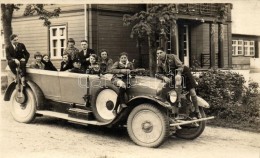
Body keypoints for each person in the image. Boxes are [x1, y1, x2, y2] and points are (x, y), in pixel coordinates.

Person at [156, 47, 202, 119]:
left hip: (185, 74)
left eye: (160, 52)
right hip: (174, 77)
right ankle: (174, 113)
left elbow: (180, 66)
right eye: (157, 53)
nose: (159, 54)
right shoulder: (159, 62)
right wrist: (164, 77)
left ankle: (197, 111)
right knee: (167, 92)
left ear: (164, 52)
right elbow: (158, 73)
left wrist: (178, 73)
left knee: (192, 92)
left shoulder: (172, 56)